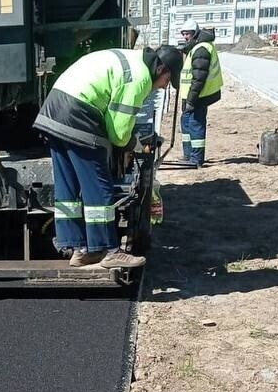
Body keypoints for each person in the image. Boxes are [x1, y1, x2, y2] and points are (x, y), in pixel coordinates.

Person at [34, 44, 183, 269]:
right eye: (167, 82)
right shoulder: (140, 78)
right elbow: (119, 134)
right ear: (162, 70)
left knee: (68, 187)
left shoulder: (132, 60)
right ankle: (109, 251)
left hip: (54, 108)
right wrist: (136, 145)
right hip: (79, 111)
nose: (163, 88)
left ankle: (79, 249)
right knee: (98, 185)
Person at [178, 21, 223, 168]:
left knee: (195, 124)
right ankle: (188, 154)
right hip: (190, 95)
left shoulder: (201, 49)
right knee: (185, 122)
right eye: (183, 33)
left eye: (188, 33)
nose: (185, 37)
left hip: (198, 96)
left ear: (195, 33)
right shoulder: (197, 47)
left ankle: (196, 159)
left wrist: (191, 99)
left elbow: (199, 78)